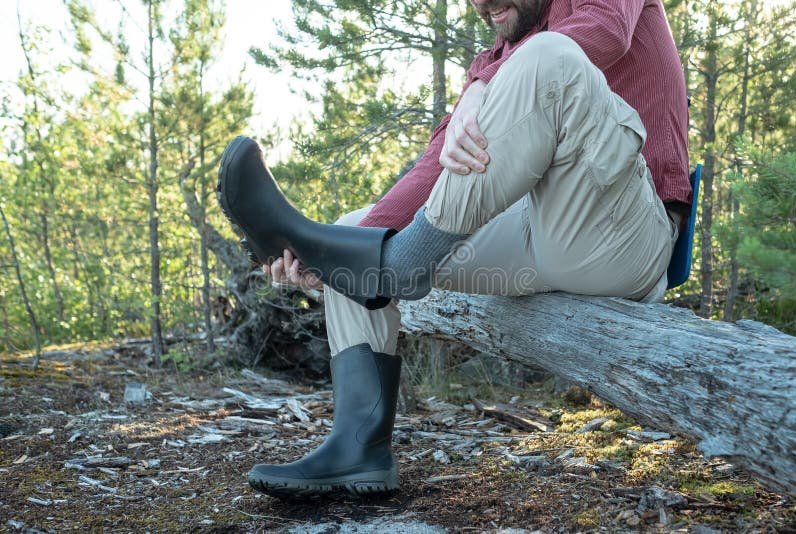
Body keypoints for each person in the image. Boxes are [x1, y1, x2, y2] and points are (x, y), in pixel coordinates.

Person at [219, 0, 690, 497]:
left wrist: (483, 87)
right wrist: (333, 258)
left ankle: (400, 263)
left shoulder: (540, 51)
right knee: (355, 232)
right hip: (540, 232)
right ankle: (358, 448)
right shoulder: (504, 51)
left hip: (626, 238)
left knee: (552, 55)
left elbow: (605, 31)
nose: (480, 6)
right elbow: (435, 168)